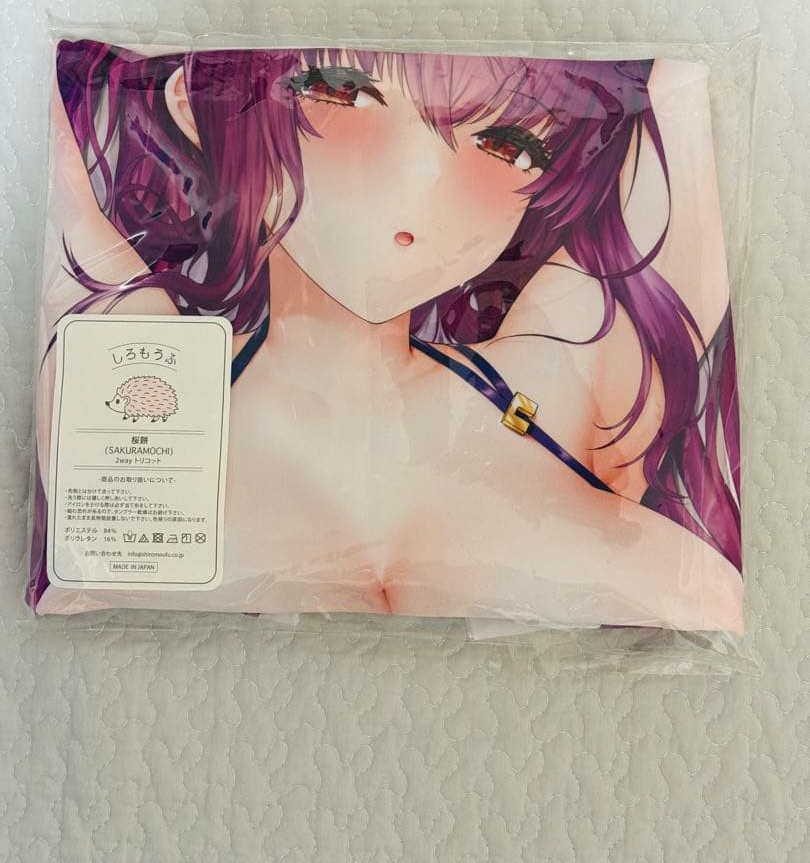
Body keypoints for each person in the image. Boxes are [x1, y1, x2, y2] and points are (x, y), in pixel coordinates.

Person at [31, 41, 743, 630]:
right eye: (340, 92)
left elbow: (675, 92)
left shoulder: (562, 383)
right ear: (195, 103)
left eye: (509, 145)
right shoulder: (146, 383)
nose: (422, 183)